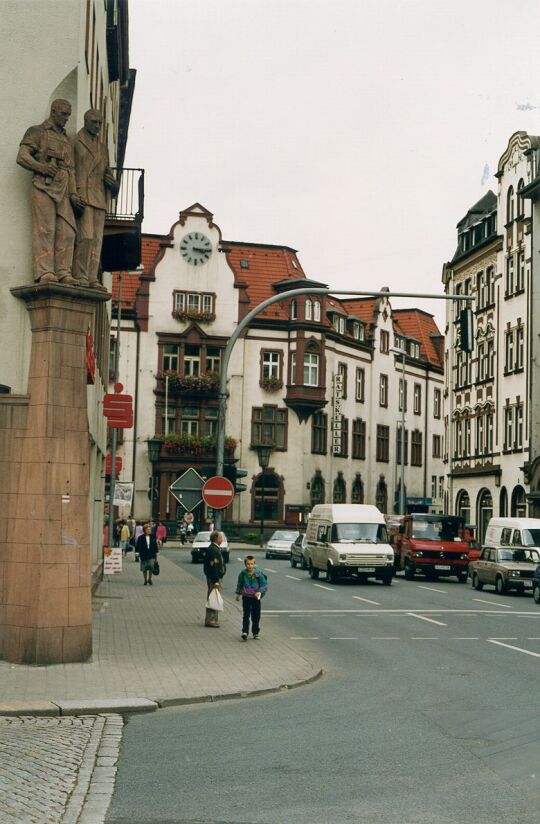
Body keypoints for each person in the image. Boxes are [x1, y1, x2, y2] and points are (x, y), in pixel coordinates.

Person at [17, 99, 81, 285]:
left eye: (68, 114)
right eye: (63, 114)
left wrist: (74, 193)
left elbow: (71, 169)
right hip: (42, 187)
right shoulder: (37, 131)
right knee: (45, 230)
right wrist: (42, 167)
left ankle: (63, 271)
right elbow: (22, 156)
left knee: (67, 232)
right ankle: (44, 272)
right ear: (53, 111)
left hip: (64, 191)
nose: (66, 118)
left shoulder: (67, 139)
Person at [71, 108, 118, 289]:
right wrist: (72, 192)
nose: (97, 126)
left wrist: (115, 186)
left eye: (99, 123)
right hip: (82, 195)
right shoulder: (75, 141)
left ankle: (92, 277)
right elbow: (70, 169)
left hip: (99, 198)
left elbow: (108, 176)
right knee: (86, 237)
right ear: (85, 121)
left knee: (97, 240)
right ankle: (80, 274)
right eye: (94, 122)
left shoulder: (103, 148)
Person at [235, 555, 268, 641]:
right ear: (245, 564)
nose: (250, 566)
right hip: (246, 597)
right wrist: (238, 593)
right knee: (246, 615)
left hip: (256, 598)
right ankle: (245, 632)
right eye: (248, 564)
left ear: (254, 564)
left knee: (256, 616)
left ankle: (255, 632)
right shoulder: (242, 574)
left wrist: (259, 592)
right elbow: (240, 584)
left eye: (251, 564)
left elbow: (264, 585)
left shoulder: (258, 574)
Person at [203, 530, 226, 628]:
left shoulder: (213, 548)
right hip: (214, 578)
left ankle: (213, 619)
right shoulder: (214, 550)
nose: (222, 539)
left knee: (214, 597)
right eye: (220, 537)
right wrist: (216, 580)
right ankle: (210, 620)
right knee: (213, 598)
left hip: (213, 577)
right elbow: (215, 566)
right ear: (217, 539)